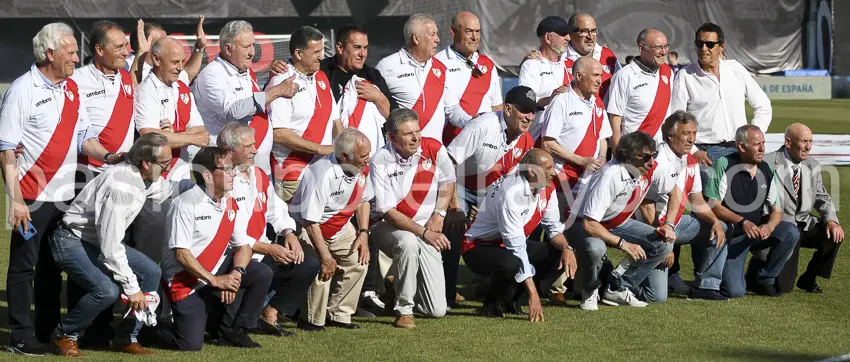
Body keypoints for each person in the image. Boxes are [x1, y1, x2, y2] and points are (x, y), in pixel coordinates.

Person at [0, 22, 123, 355]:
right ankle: (20, 336)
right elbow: (7, 148)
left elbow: (85, 138)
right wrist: (16, 201)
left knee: (54, 266)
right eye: (70, 51)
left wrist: (112, 155)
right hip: (32, 196)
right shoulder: (22, 90)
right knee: (25, 266)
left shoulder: (71, 88)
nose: (75, 57)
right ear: (50, 53)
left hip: (66, 195)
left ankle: (46, 330)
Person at [48, 133, 172, 357]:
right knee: (106, 291)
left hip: (95, 241)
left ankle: (126, 337)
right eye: (164, 163)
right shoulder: (120, 186)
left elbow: (167, 189)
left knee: (152, 272)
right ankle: (65, 334)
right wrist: (132, 288)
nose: (167, 167)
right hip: (71, 240)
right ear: (146, 163)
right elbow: (111, 246)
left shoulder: (145, 177)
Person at [161, 147, 273, 350]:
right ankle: (152, 328)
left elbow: (244, 246)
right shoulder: (185, 204)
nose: (233, 173)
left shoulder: (229, 201)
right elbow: (182, 254)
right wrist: (215, 280)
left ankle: (236, 331)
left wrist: (236, 273)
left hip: (214, 275)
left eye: (233, 168)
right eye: (227, 169)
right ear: (207, 175)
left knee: (260, 272)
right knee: (190, 346)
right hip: (185, 282)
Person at [216, 123, 320, 337]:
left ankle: (270, 313)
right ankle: (243, 321)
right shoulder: (223, 180)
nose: (255, 150)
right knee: (225, 323)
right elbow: (228, 232)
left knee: (307, 262)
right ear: (229, 150)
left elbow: (276, 210)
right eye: (248, 146)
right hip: (233, 256)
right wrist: (268, 248)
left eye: (254, 144)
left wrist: (288, 232)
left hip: (261, 250)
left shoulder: (259, 174)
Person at [566, 131, 680, 311]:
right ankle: (590, 291)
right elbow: (590, 224)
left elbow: (674, 192)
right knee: (597, 248)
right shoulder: (609, 176)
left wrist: (669, 224)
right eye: (646, 157)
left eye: (654, 155)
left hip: (616, 223)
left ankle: (617, 286)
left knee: (663, 245)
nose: (651, 162)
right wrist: (623, 244)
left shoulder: (651, 168)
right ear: (628, 156)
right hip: (582, 224)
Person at [445, 85, 536, 306]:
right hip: (460, 184)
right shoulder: (483, 125)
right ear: (507, 109)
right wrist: (455, 206)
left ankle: (497, 289)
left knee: (515, 228)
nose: (530, 117)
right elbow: (448, 163)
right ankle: (446, 294)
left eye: (533, 111)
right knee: (453, 231)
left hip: (492, 191)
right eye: (524, 110)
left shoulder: (526, 141)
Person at [462, 149, 576, 322]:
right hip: (478, 246)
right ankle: (491, 303)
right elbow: (515, 246)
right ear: (532, 171)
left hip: (507, 244)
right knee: (511, 263)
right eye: (548, 168)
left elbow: (553, 230)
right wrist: (534, 293)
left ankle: (512, 300)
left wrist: (567, 248)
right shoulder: (512, 193)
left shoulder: (548, 189)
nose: (554, 172)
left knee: (555, 253)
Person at [370, 108, 456, 328]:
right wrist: (425, 232)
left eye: (417, 131)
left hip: (427, 228)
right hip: (387, 227)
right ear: (392, 137)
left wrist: (440, 213)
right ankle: (404, 310)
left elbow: (448, 179)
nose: (416, 138)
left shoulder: (434, 147)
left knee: (436, 310)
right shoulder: (380, 158)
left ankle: (396, 284)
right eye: (408, 134)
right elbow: (388, 212)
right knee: (408, 243)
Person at [133, 37, 211, 263]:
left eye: (182, 61)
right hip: (154, 187)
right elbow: (150, 137)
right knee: (148, 259)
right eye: (175, 62)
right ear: (156, 59)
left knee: (177, 255)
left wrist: (172, 134)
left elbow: (202, 133)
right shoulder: (147, 90)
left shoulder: (182, 89)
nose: (180, 67)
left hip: (181, 182)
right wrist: (183, 136)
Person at [636, 111, 728, 301]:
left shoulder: (691, 161)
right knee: (656, 297)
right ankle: (619, 279)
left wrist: (715, 221)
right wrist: (664, 244)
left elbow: (697, 201)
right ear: (670, 136)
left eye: (694, 133)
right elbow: (645, 205)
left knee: (722, 227)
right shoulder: (657, 161)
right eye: (686, 133)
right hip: (650, 228)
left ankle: (707, 286)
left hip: (673, 226)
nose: (691, 139)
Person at [289, 128, 372, 331]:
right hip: (307, 228)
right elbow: (310, 221)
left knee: (359, 262)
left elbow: (363, 200)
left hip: (340, 226)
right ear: (344, 156)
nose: (368, 160)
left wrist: (363, 233)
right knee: (321, 267)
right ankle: (310, 319)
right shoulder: (321, 174)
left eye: (369, 154)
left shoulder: (362, 168)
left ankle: (339, 314)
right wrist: (325, 256)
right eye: (363, 156)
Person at [192, 20, 298, 177]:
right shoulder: (212, 75)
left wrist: (271, 80)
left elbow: (254, 103)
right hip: (230, 166)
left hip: (257, 164)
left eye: (253, 45)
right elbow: (234, 111)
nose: (252, 53)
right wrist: (277, 90)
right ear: (228, 48)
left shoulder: (243, 68)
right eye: (246, 47)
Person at [701, 125, 798, 297]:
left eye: (763, 143)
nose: (762, 148)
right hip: (733, 235)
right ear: (741, 146)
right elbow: (713, 205)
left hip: (756, 232)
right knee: (735, 291)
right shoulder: (725, 164)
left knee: (790, 231)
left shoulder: (767, 169)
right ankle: (721, 271)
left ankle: (765, 278)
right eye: (756, 144)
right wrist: (742, 222)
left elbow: (776, 210)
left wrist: (770, 226)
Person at [751, 123, 843, 293]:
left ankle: (809, 279)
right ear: (788, 142)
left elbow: (821, 196)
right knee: (783, 287)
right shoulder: (767, 163)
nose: (808, 146)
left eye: (810, 141)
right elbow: (757, 201)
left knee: (834, 235)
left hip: (804, 223)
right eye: (803, 141)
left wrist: (831, 220)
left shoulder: (812, 165)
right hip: (782, 227)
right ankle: (757, 267)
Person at [671, 22, 772, 166]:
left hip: (739, 150)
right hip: (704, 152)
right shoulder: (685, 76)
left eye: (710, 44)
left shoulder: (735, 69)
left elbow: (763, 105)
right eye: (700, 44)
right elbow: (676, 120)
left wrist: (752, 136)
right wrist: (693, 151)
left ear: (721, 46)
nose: (704, 49)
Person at [266, 26, 341, 201]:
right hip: (294, 175)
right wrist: (320, 149)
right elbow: (279, 133)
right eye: (316, 52)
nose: (322, 57)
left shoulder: (321, 77)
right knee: (300, 227)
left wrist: (342, 151)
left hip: (325, 171)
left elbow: (336, 121)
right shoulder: (282, 81)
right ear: (299, 54)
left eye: (322, 51)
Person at [375, 13, 470, 143]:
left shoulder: (442, 68)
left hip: (433, 153)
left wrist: (471, 121)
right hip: (400, 153)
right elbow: (374, 108)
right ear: (416, 38)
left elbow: (452, 109)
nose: (437, 39)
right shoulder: (386, 66)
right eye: (432, 34)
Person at [74, 21, 139, 175]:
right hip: (88, 171)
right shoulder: (76, 79)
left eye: (126, 46)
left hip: (123, 170)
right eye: (118, 47)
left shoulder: (126, 78)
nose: (125, 52)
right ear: (100, 49)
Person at [540, 56, 611, 195]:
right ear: (578, 75)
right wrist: (581, 161)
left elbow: (603, 137)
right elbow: (548, 143)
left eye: (601, 76)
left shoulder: (598, 102)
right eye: (595, 75)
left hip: (589, 182)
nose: (600, 81)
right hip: (563, 183)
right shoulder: (562, 101)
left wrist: (602, 158)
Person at [436, 11, 503, 144]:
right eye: (469, 31)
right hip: (450, 143)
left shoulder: (488, 64)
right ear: (453, 31)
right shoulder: (438, 63)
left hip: (485, 143)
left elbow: (497, 107)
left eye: (477, 32)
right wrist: (471, 123)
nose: (475, 37)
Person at [606, 28, 674, 149]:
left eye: (665, 46)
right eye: (658, 47)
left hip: (664, 151)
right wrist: (618, 157)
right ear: (642, 48)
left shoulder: (668, 72)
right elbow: (615, 120)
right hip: (635, 152)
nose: (663, 52)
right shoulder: (624, 76)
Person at [518, 16, 575, 141]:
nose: (568, 38)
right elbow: (525, 101)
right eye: (563, 34)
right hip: (539, 138)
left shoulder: (570, 63)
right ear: (548, 38)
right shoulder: (531, 65)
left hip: (567, 138)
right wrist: (550, 98)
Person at [320, 24, 394, 116]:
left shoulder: (373, 75)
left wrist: (379, 98)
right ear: (340, 48)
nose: (363, 54)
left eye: (365, 48)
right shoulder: (321, 72)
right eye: (357, 47)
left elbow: (396, 118)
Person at [127, 17, 207, 84]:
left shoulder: (163, 64)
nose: (167, 45)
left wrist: (200, 48)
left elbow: (187, 76)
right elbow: (132, 91)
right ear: (142, 42)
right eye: (160, 42)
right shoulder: (126, 67)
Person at [563, 13, 621, 98]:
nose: (590, 37)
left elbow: (622, 85)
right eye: (584, 31)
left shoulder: (607, 55)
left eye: (593, 31)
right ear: (570, 33)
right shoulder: (560, 58)